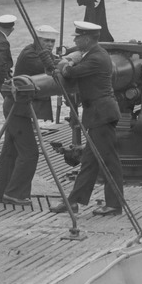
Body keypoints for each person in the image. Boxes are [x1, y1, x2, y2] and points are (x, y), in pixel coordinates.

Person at [51, 20, 124, 216]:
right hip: (98, 114)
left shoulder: (96, 58)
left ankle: (115, 205)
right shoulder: (93, 54)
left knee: (109, 161)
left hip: (102, 114)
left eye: (78, 37)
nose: (75, 40)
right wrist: (73, 58)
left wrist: (65, 62)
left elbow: (70, 72)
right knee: (90, 162)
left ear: (87, 39)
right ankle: (73, 202)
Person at [0, 25, 59, 206]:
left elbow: (53, 61)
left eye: (52, 41)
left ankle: (0, 192)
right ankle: (15, 194)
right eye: (46, 41)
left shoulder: (37, 53)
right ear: (37, 40)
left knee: (10, 151)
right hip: (17, 109)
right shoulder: (30, 55)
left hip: (18, 107)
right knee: (30, 153)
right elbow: (51, 69)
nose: (50, 44)